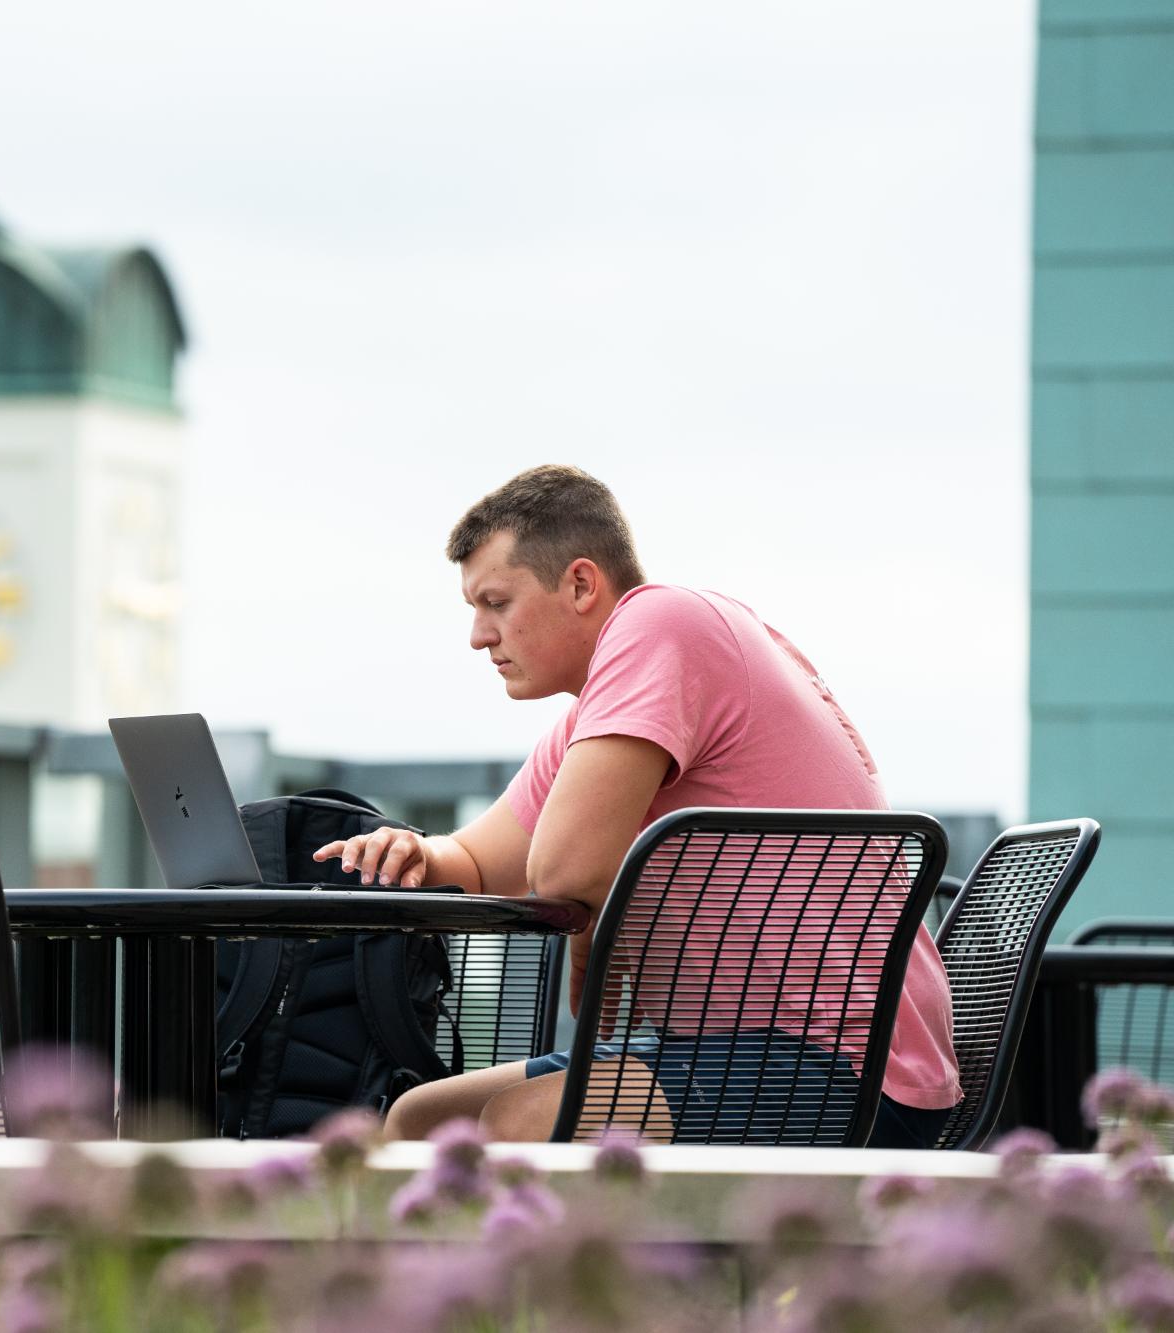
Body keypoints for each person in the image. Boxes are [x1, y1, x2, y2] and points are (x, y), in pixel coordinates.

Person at [313, 465, 960, 1148]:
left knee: (523, 1124)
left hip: (847, 1068)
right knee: (421, 1120)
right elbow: (476, 860)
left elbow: (564, 872)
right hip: (724, 1052)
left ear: (582, 584)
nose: (478, 634)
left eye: (496, 602)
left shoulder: (661, 624)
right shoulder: (604, 710)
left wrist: (593, 919)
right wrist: (416, 850)